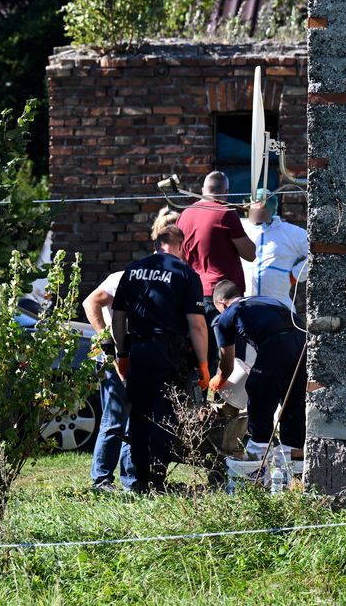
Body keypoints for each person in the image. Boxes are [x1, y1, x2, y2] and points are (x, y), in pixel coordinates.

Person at [81, 209, 179, 492]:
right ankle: (101, 480)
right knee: (114, 419)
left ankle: (132, 480)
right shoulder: (123, 277)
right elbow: (91, 303)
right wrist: (104, 337)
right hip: (116, 357)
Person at [110, 223, 211, 492]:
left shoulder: (132, 271)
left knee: (139, 414)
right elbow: (197, 325)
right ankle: (157, 477)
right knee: (164, 415)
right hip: (168, 352)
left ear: (155, 243)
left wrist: (122, 353)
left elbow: (118, 317)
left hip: (139, 350)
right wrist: (203, 366)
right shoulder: (184, 273)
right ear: (183, 245)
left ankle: (137, 479)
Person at [210, 279, 307, 459]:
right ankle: (293, 455)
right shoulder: (264, 300)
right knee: (293, 399)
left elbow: (227, 364)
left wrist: (219, 380)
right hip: (303, 340)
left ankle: (258, 453)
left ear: (221, 303)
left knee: (258, 391)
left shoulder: (227, 314)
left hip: (275, 342)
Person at [177, 171, 256, 337]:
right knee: (229, 353)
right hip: (223, 297)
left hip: (193, 293)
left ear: (203, 189)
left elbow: (181, 258)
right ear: (226, 192)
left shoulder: (184, 215)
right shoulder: (225, 213)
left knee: (201, 354)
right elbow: (250, 254)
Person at [241, 198, 308, 310]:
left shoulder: (290, 232)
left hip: (278, 303)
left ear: (272, 211)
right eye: (255, 209)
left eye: (264, 210)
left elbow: (317, 252)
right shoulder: (240, 227)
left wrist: (296, 274)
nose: (259, 214)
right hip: (244, 303)